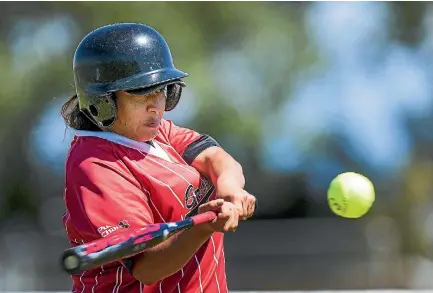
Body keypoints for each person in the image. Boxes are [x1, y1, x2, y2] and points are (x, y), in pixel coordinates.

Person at [60, 22, 256, 293]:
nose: (156, 105)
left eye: (161, 90)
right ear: (103, 100)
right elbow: (147, 266)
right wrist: (201, 228)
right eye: (141, 94)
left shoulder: (153, 131)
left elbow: (213, 156)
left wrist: (229, 188)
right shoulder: (95, 165)